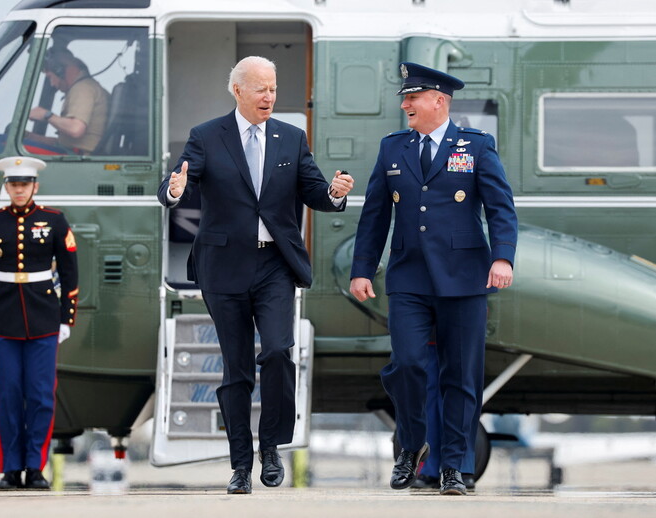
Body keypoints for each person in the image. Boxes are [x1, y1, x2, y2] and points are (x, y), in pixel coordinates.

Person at [157, 56, 354, 494]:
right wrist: (173, 190)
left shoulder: (290, 137)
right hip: (223, 267)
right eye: (260, 89)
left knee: (280, 352)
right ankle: (240, 465)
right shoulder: (207, 136)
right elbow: (180, 183)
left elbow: (314, 191)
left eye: (273, 88)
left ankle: (271, 447)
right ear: (238, 91)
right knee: (237, 369)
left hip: (274, 266)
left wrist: (334, 194)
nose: (269, 97)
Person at [349, 62, 517, 496]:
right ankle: (412, 446)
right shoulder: (393, 148)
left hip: (464, 277)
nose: (405, 104)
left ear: (438, 101)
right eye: (405, 97)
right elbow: (374, 215)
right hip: (409, 277)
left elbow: (501, 209)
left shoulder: (476, 146)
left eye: (413, 97)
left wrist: (503, 259)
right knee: (406, 364)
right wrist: (362, 269)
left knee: (461, 376)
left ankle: (456, 468)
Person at [0, 156, 79, 490]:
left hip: (43, 318)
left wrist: (66, 317)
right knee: (7, 395)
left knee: (41, 396)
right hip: (2, 319)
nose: (19, 190)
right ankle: (9, 469)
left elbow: (70, 270)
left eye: (24, 184)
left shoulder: (55, 221)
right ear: (6, 187)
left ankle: (34, 467)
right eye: (13, 184)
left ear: (35, 186)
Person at [412, 342, 476, 490]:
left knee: (458, 394)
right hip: (427, 334)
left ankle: (461, 465)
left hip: (458, 330)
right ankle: (428, 468)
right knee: (427, 398)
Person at [27, 47, 110, 155]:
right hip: (73, 152)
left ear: (60, 70)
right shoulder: (85, 87)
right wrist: (33, 137)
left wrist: (46, 115)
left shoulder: (83, 89)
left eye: (50, 77)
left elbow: (75, 129)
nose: (52, 84)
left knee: (3, 143)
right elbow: (64, 143)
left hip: (77, 157)